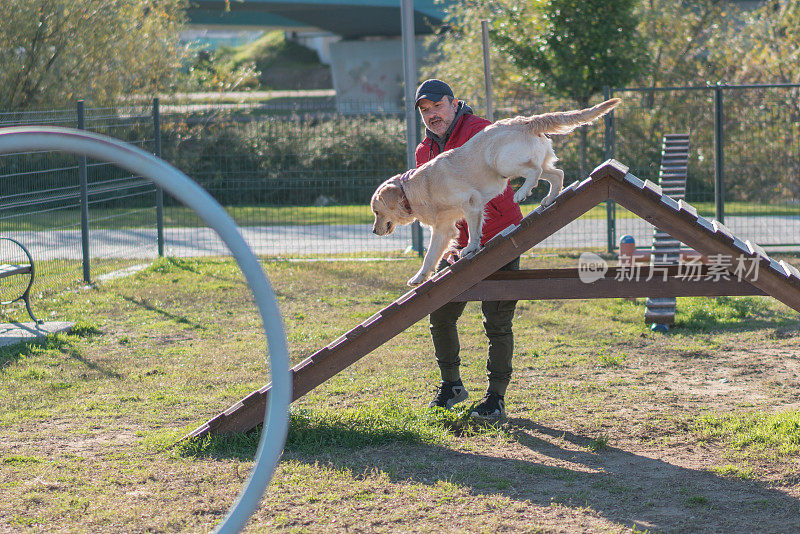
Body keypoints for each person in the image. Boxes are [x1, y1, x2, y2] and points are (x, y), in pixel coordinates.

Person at [414, 79, 523, 421]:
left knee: (497, 321)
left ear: (455, 102)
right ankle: (452, 387)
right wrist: (449, 245)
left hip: (501, 236)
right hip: (460, 246)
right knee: (440, 313)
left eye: (438, 106)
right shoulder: (423, 153)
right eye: (425, 111)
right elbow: (440, 209)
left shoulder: (482, 132)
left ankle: (496, 398)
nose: (432, 115)